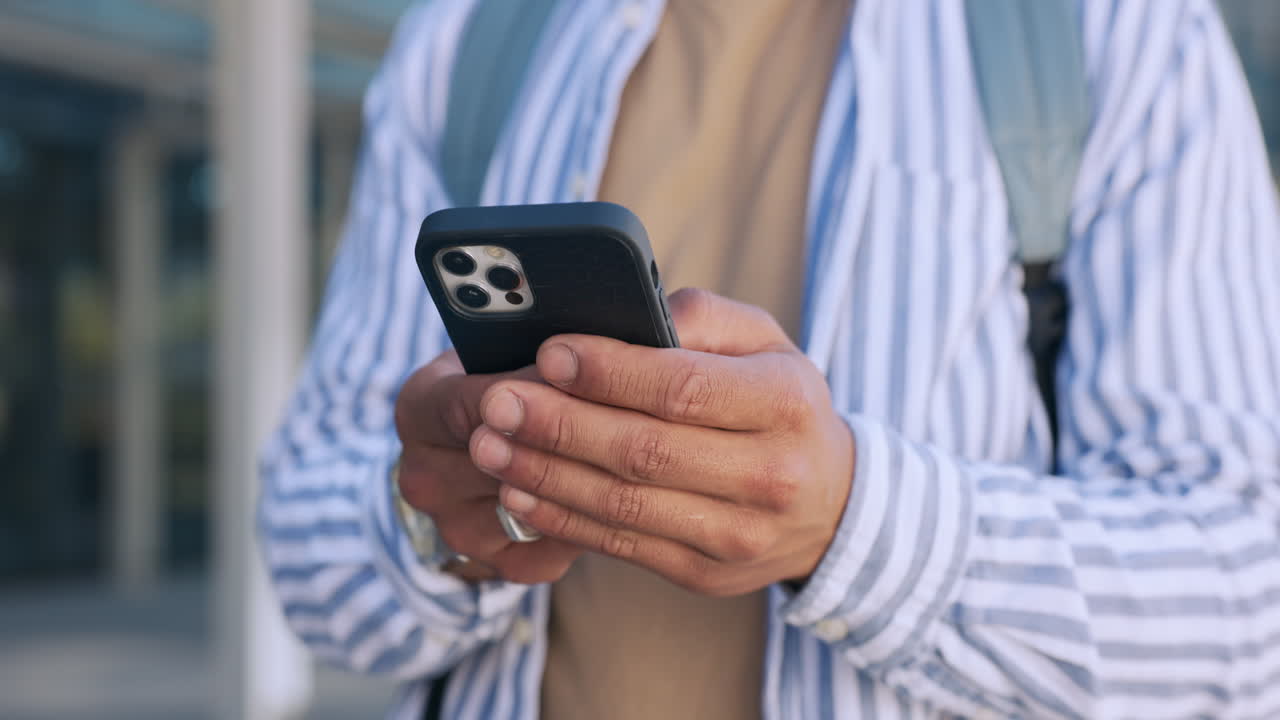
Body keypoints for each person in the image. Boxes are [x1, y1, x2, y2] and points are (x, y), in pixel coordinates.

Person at [259, 0, 1280, 718]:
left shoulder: (1109, 33)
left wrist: (848, 522)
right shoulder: (464, 41)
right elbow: (303, 532)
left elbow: (1245, 604)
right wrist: (437, 526)